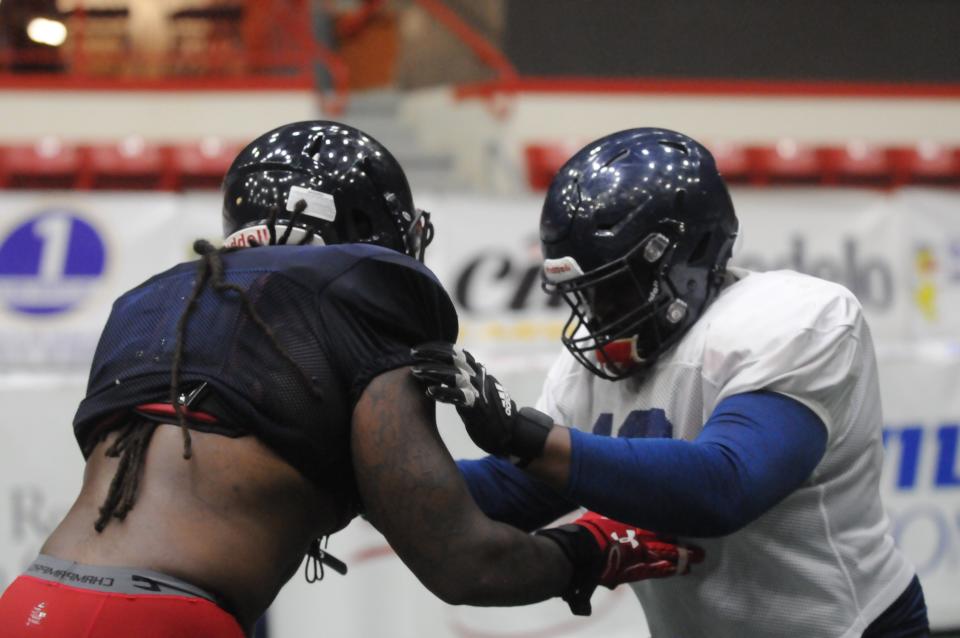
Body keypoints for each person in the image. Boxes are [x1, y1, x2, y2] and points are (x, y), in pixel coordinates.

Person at [0, 121, 703, 638]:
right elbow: (466, 564)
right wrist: (598, 550)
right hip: (159, 619)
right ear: (379, 231)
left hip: (30, 601)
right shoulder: (358, 299)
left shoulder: (160, 299)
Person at [412, 127, 930, 637]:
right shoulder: (586, 371)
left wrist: (521, 435)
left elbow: (725, 487)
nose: (596, 317)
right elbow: (511, 492)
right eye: (584, 296)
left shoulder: (800, 318)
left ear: (689, 258)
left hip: (849, 625)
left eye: (615, 288)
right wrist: (367, 462)